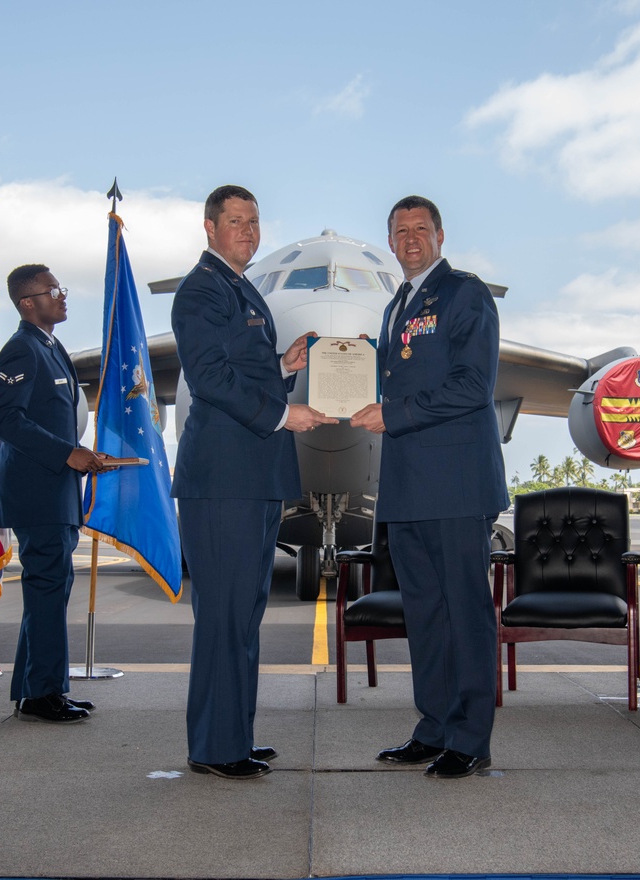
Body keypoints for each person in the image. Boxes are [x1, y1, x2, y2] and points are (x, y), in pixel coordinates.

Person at [171, 185, 337, 779]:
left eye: (254, 221)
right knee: (223, 615)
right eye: (235, 221)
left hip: (254, 476)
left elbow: (242, 368)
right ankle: (216, 747)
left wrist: (281, 367)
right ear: (210, 228)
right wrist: (282, 413)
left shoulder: (241, 291)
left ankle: (233, 734)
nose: (247, 231)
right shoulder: (201, 291)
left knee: (244, 614)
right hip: (224, 480)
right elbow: (210, 377)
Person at [351, 195, 508, 778]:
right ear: (389, 241)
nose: (411, 239)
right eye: (401, 231)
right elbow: (394, 378)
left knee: (465, 614)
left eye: (421, 229)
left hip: (457, 485)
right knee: (425, 615)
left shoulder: (466, 294)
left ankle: (471, 739)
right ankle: (435, 726)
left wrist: (394, 414)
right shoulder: (397, 305)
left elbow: (473, 385)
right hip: (409, 486)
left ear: (440, 234)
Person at [0, 264, 110, 723]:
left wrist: (80, 455)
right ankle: (43, 695)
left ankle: (37, 689)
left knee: (50, 593)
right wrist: (67, 454)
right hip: (37, 494)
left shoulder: (51, 346)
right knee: (47, 591)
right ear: (28, 303)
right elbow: (3, 419)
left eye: (61, 286)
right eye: (53, 290)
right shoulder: (22, 350)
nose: (63, 295)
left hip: (55, 491)